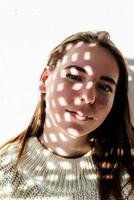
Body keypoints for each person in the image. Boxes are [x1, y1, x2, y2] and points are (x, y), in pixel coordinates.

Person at [0, 31, 134, 200]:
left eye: (104, 87)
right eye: (75, 77)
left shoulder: (127, 181)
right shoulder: (4, 172)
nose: (89, 96)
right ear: (45, 80)